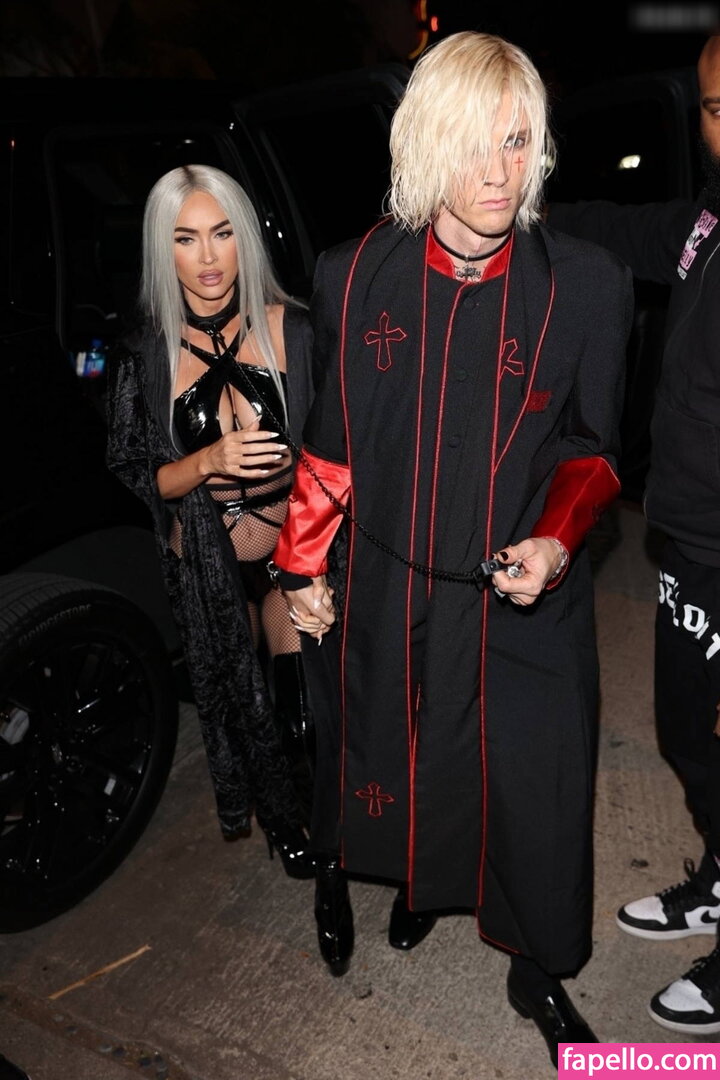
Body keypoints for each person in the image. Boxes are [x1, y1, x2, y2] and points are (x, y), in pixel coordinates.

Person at [267, 31, 634, 1067]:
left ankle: (538, 966)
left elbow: (595, 450)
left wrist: (557, 541)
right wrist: (300, 567)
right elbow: (329, 447)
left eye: (517, 141)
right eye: (474, 142)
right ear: (426, 142)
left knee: (537, 787)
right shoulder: (352, 277)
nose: (498, 171)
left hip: (522, 602)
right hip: (391, 589)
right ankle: (406, 889)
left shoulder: (589, 285)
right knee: (393, 757)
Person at [547, 33, 720, 1036]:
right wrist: (515, 211)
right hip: (687, 542)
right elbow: (624, 229)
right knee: (690, 740)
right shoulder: (709, 220)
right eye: (714, 107)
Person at [106, 164, 316, 879]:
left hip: (290, 552)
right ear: (161, 250)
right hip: (208, 568)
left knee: (300, 714)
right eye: (185, 238)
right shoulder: (146, 356)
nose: (207, 258)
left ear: (244, 239)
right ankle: (282, 821)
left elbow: (338, 451)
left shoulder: (293, 329)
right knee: (240, 705)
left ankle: (325, 836)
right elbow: (142, 475)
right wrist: (209, 459)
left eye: (222, 234)